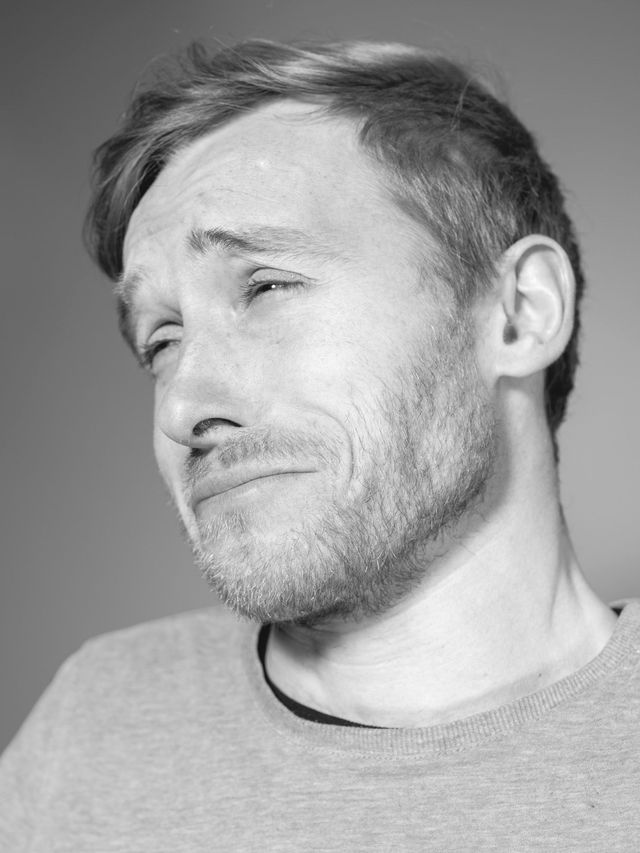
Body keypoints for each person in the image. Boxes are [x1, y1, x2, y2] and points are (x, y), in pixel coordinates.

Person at [1, 38, 638, 851]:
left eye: (267, 285)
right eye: (161, 339)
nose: (183, 406)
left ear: (520, 313)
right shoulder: (95, 725)